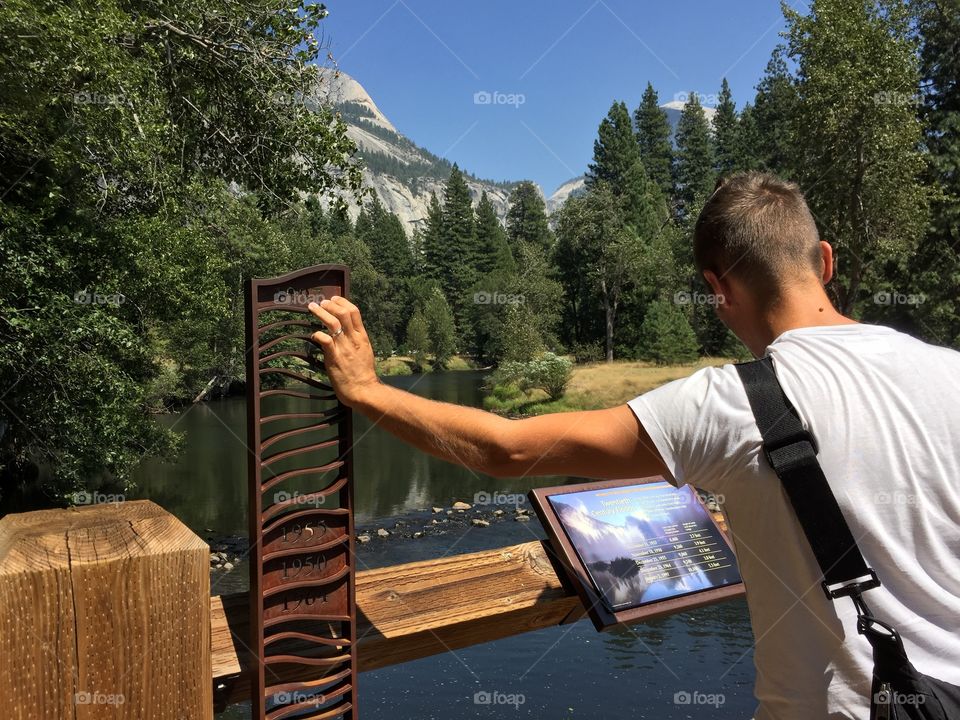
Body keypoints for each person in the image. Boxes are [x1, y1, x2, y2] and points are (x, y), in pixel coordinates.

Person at [307, 172, 960, 720]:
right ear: (824, 261)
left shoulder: (731, 404)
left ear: (717, 289)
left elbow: (504, 450)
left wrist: (367, 391)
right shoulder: (948, 372)